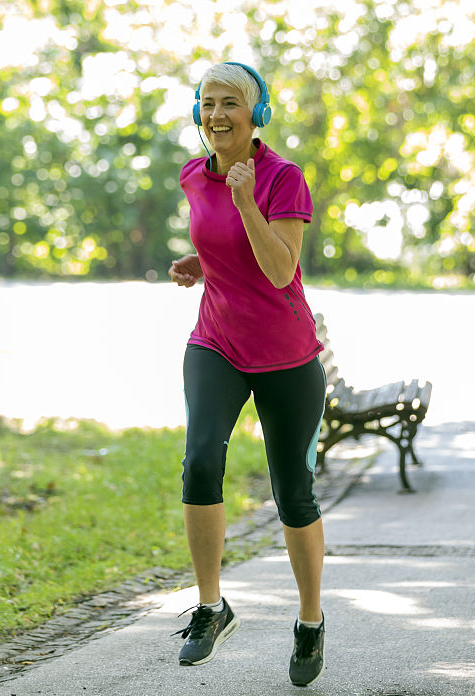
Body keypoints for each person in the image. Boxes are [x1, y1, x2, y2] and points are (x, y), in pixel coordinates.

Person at [168, 61, 327, 687]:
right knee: (200, 459)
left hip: (287, 354)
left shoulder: (284, 178)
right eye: (207, 103)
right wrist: (202, 261)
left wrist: (243, 197)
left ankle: (310, 621)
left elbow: (281, 269)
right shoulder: (192, 175)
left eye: (230, 102)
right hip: (217, 342)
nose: (216, 115)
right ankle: (211, 606)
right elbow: (228, 247)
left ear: (256, 113)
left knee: (293, 492)